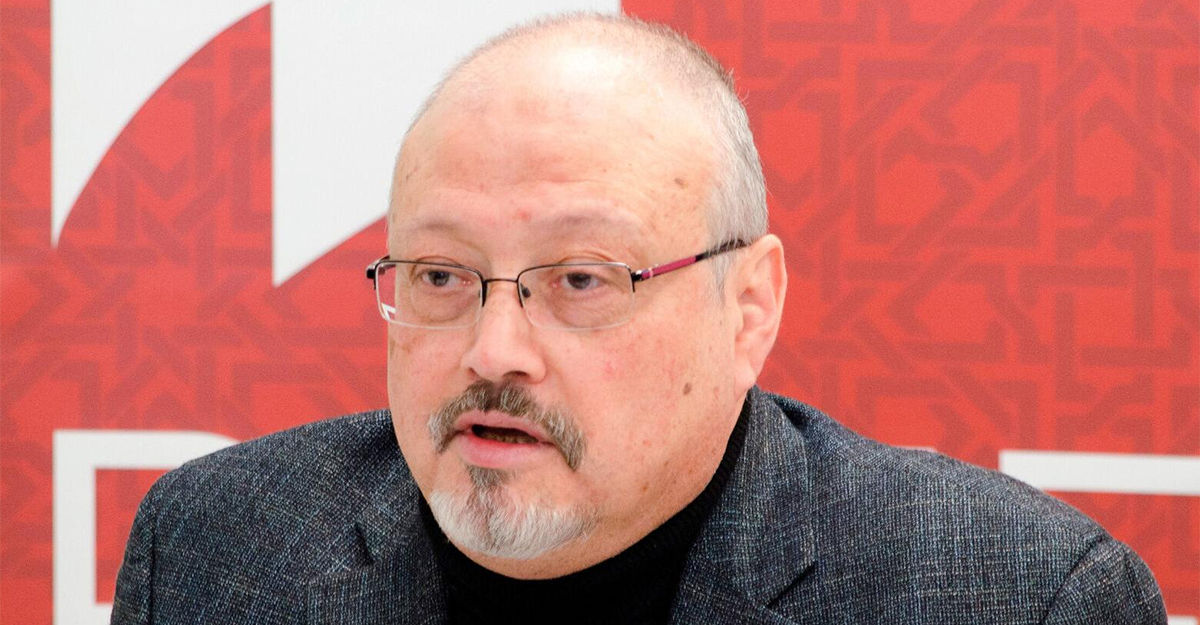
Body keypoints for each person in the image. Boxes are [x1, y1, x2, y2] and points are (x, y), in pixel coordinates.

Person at [111, 12, 1166, 625]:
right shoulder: (215, 550)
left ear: (749, 308)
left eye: (581, 280)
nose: (492, 351)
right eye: (440, 275)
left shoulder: (1017, 597)